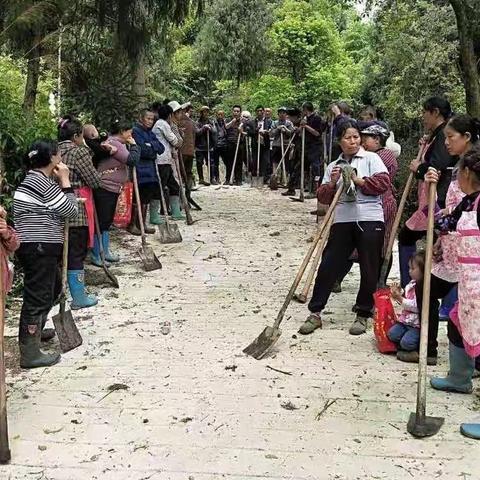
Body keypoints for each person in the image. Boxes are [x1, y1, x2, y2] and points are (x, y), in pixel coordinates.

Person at [398, 115, 480, 365]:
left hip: (468, 258)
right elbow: (452, 213)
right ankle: (438, 353)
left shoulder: (471, 166)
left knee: (467, 310)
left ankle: (433, 350)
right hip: (455, 250)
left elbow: (457, 214)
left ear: (466, 137)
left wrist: (443, 222)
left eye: (450, 137)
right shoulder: (458, 166)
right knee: (456, 308)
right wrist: (438, 238)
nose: (446, 142)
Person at [298, 122, 390, 336]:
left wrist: (358, 180)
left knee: (369, 267)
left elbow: (383, 184)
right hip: (342, 218)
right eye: (348, 138)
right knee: (329, 263)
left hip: (370, 217)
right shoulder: (333, 166)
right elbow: (322, 196)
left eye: (356, 137)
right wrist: (332, 183)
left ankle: (363, 312)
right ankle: (315, 312)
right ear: (339, 141)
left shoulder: (371, 158)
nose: (353, 141)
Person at [425, 147, 480, 440]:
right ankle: (460, 378)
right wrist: (431, 190)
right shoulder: (468, 203)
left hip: (479, 282)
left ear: (467, 173)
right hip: (470, 284)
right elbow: (442, 223)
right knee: (459, 324)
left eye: (457, 171)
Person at [13, 140, 78, 368]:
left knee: (52, 289)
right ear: (52, 157)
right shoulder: (41, 182)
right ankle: (30, 353)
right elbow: (70, 210)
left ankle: (36, 331)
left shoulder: (35, 180)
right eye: (58, 153)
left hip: (39, 245)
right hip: (38, 246)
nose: (61, 157)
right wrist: (66, 180)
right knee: (38, 296)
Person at [332, 124, 398, 295]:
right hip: (362, 205)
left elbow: (378, 181)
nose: (360, 141)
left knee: (380, 246)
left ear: (376, 139)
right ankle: (338, 277)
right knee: (355, 245)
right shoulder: (364, 156)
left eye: (364, 138)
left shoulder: (382, 155)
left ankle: (377, 284)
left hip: (382, 204)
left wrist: (358, 179)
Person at [398, 97, 455, 288]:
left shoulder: (444, 134)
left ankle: (415, 286)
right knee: (442, 243)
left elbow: (438, 166)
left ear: (435, 112)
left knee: (440, 243)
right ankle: (419, 287)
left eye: (425, 112)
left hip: (438, 200)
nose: (423, 117)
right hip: (433, 199)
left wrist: (419, 167)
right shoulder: (437, 135)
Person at [58, 116, 101, 309]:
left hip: (53, 206)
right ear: (76, 136)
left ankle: (61, 291)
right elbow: (94, 181)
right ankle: (78, 297)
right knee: (76, 251)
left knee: (62, 252)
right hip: (76, 204)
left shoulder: (52, 151)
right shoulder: (79, 152)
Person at [92, 120, 140, 266]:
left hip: (112, 187)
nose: (131, 134)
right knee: (102, 221)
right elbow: (132, 160)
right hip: (105, 187)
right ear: (122, 131)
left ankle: (104, 251)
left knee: (106, 222)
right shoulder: (115, 143)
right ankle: (97, 254)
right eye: (129, 131)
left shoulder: (115, 143)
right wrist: (135, 146)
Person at [130, 109, 166, 235]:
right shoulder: (135, 131)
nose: (150, 121)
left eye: (152, 119)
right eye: (148, 118)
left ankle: (142, 224)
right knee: (137, 197)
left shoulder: (150, 133)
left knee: (146, 198)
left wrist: (151, 146)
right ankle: (133, 224)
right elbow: (142, 150)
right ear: (141, 118)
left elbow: (161, 148)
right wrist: (151, 148)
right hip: (139, 170)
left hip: (151, 171)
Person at [152, 104, 185, 220]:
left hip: (166, 160)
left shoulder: (159, 124)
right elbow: (175, 141)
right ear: (170, 115)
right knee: (159, 187)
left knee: (174, 185)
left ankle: (176, 212)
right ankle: (154, 215)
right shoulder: (163, 125)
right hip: (161, 161)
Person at [387, 252, 424, 352]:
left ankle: (414, 347)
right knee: (391, 334)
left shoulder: (424, 288)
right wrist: (399, 292)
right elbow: (407, 296)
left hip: (416, 324)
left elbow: (416, 306)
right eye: (409, 268)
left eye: (413, 269)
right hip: (405, 321)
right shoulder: (412, 283)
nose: (409, 271)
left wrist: (399, 298)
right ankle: (403, 345)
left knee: (406, 343)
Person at [245, 106, 272, 181]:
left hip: (265, 144)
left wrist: (266, 132)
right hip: (255, 144)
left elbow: (271, 131)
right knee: (255, 161)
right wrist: (257, 130)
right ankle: (255, 177)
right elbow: (249, 133)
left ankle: (264, 178)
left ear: (263, 111)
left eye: (261, 111)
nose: (259, 112)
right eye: (257, 111)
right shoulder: (252, 122)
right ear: (255, 112)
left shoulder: (269, 121)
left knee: (265, 161)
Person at [269, 107, 295, 183]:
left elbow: (292, 133)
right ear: (278, 114)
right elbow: (271, 134)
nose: (282, 114)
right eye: (280, 113)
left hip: (286, 145)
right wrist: (278, 129)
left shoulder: (289, 123)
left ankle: (285, 180)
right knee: (275, 162)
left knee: (286, 163)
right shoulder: (274, 123)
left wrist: (285, 130)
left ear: (286, 114)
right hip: (276, 145)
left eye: (283, 113)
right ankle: (275, 178)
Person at [195, 106, 217, 185]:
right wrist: (204, 128)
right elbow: (197, 133)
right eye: (204, 112)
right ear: (201, 113)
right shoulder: (197, 123)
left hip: (209, 146)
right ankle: (201, 178)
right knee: (199, 163)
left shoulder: (211, 122)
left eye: (207, 112)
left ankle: (212, 178)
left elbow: (215, 131)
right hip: (199, 147)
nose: (206, 113)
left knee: (211, 163)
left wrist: (210, 128)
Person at [225, 105, 244, 185]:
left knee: (239, 163)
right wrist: (232, 121)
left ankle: (238, 179)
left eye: (237, 111)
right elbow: (226, 127)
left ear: (240, 112)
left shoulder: (243, 121)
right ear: (232, 112)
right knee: (229, 162)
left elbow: (246, 133)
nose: (236, 113)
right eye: (234, 111)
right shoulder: (229, 119)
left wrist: (241, 131)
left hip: (240, 143)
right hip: (230, 143)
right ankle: (228, 179)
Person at [179, 102, 196, 189]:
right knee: (188, 171)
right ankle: (188, 188)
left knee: (182, 171)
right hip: (190, 150)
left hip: (182, 151)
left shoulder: (178, 122)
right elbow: (194, 136)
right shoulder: (191, 122)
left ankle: (183, 187)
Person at [214, 110, 228, 184]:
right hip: (216, 145)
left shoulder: (225, 123)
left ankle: (227, 178)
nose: (220, 116)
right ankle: (217, 178)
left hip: (224, 145)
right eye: (218, 114)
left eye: (221, 114)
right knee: (216, 163)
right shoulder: (214, 123)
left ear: (223, 115)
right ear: (216, 115)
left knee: (227, 162)